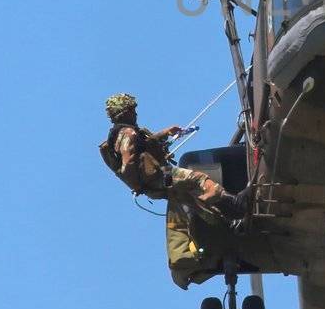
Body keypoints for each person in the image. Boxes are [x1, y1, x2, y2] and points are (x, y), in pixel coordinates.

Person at [98, 93, 243, 218]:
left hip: (152, 186)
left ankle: (227, 216)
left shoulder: (120, 136)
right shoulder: (128, 133)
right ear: (124, 113)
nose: (135, 113)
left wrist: (165, 133)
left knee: (193, 202)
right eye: (132, 110)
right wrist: (137, 184)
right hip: (158, 178)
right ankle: (223, 196)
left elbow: (145, 145)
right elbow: (128, 162)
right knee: (198, 178)